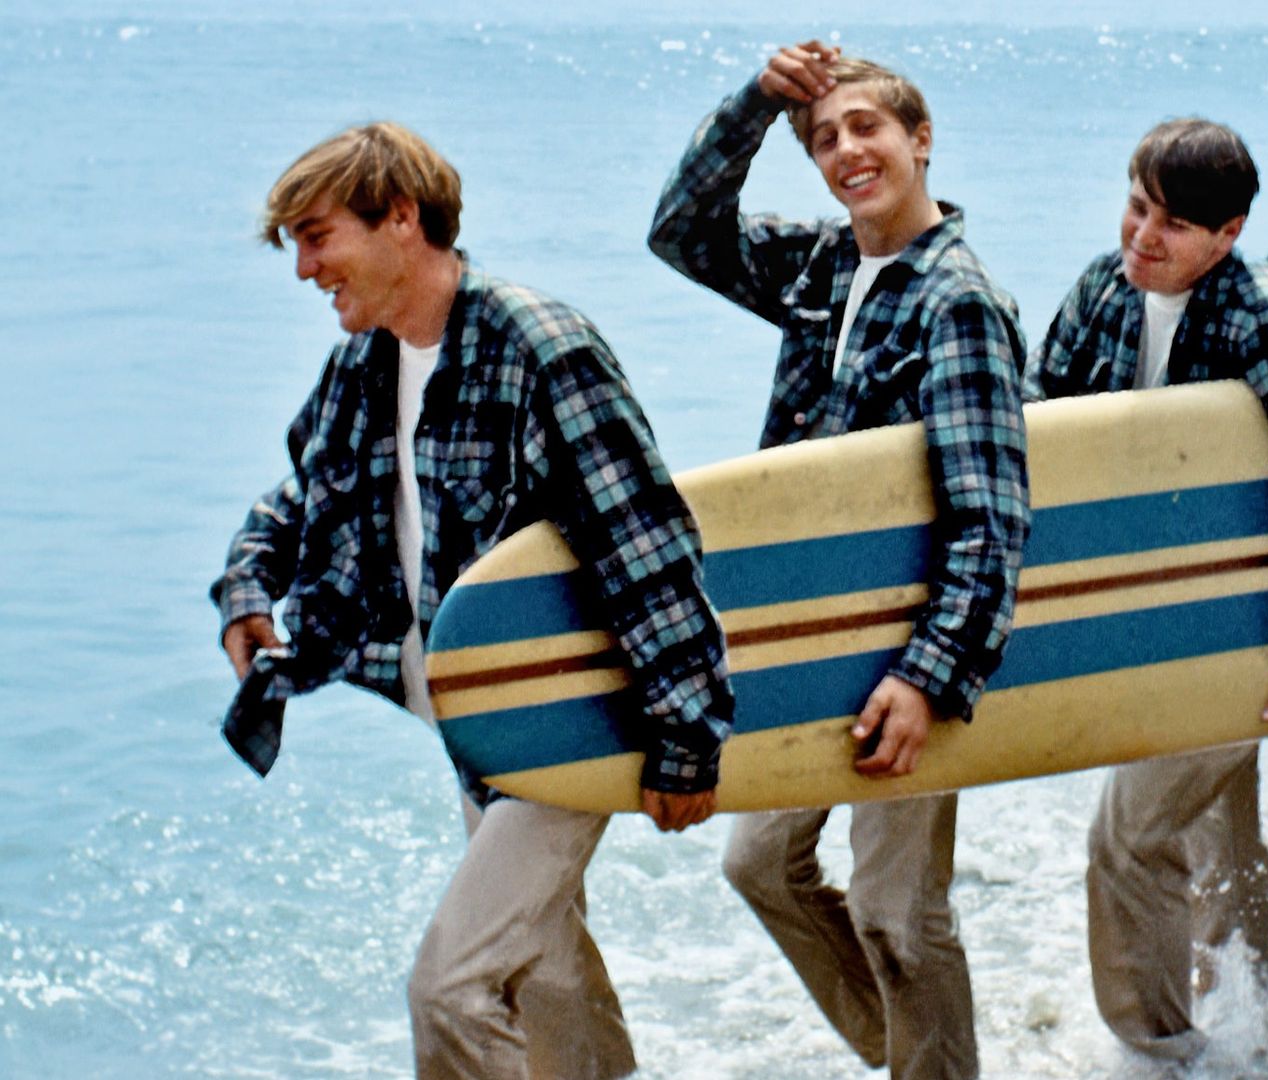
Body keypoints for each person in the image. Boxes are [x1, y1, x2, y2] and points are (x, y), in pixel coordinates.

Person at [211, 123, 735, 1078]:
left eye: (319, 237)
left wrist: (687, 736)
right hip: (477, 722)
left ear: (401, 219)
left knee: (451, 986)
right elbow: (303, 493)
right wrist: (251, 586)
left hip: (569, 716)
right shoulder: (367, 362)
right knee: (545, 972)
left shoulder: (540, 348)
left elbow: (647, 545)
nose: (304, 270)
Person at [649, 41, 1029, 1079]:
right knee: (760, 860)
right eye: (825, 138)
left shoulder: (959, 302)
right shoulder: (824, 263)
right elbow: (679, 233)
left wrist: (928, 676)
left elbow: (991, 516)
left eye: (869, 129)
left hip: (909, 645)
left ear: (921, 139)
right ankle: (911, 1056)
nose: (847, 150)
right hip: (811, 635)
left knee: (899, 911)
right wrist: (757, 104)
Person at [1025, 118, 1268, 1062]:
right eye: (1138, 208)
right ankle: (1250, 1030)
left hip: (1246, 632)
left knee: (1127, 841)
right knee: (1218, 844)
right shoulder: (1104, 289)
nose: (1144, 237)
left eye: (1175, 226)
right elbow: (1040, 425)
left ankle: (1157, 1051)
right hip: (1151, 623)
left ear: (1227, 235)